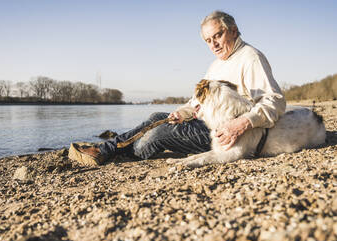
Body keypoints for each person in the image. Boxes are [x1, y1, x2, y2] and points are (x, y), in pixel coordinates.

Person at [78, 10, 286, 165]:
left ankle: (121, 154)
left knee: (159, 134)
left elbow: (274, 101)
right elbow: (197, 103)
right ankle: (107, 148)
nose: (213, 44)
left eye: (218, 36)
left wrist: (240, 124)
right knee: (157, 117)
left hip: (227, 134)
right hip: (206, 124)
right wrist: (183, 112)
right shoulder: (217, 64)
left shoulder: (250, 57)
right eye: (208, 40)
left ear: (233, 31)